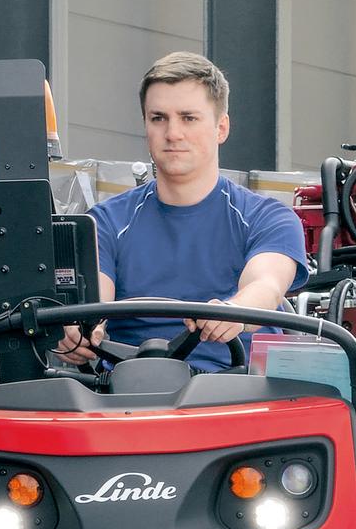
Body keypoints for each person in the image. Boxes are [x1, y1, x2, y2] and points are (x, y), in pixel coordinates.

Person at [63, 52, 305, 372]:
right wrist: (82, 329)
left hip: (240, 396)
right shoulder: (104, 222)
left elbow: (266, 286)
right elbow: (94, 300)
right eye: (158, 118)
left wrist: (235, 311)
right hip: (128, 399)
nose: (173, 133)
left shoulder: (269, 219)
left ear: (221, 128)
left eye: (188, 118)